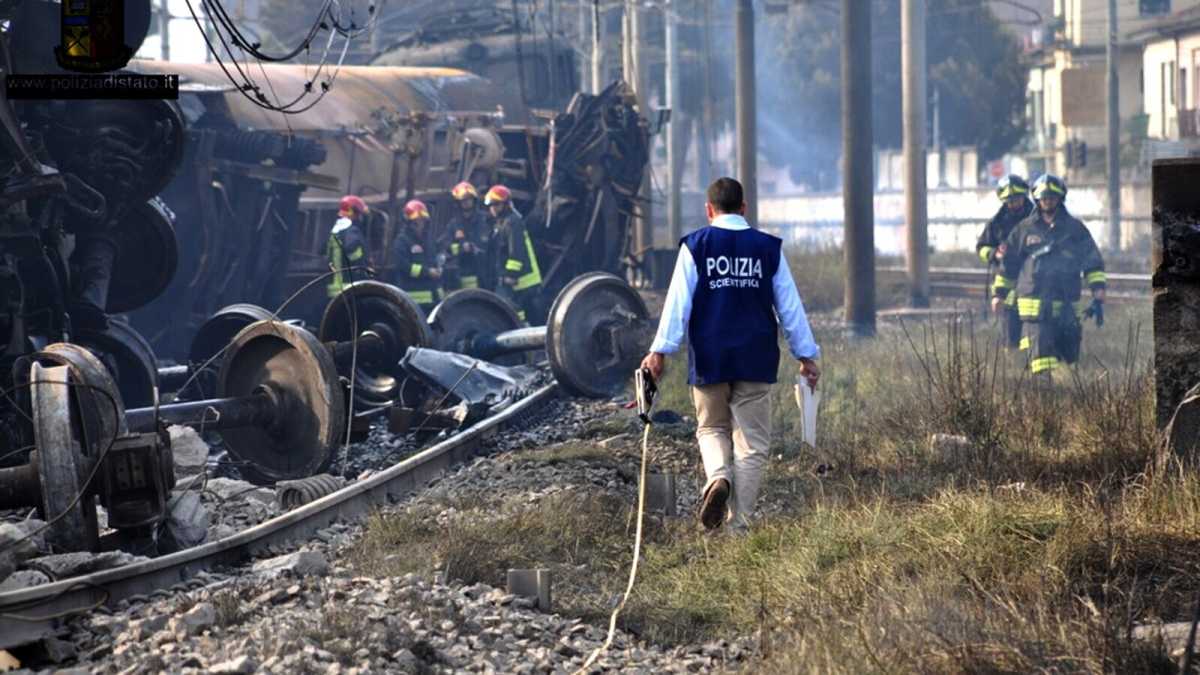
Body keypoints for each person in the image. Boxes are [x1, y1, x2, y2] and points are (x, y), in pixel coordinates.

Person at [640, 177, 821, 533]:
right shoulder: (768, 248)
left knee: (711, 428)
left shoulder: (695, 246)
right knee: (751, 444)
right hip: (755, 357)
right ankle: (740, 525)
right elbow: (789, 307)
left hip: (710, 357)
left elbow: (677, 304)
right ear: (744, 208)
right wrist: (807, 355)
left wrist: (659, 351)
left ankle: (719, 477)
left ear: (709, 210)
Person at [991, 174, 1106, 375]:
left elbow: (1092, 260)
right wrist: (999, 294)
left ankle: (1065, 401)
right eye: (1044, 198)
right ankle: (1045, 398)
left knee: (1069, 360)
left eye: (1052, 198)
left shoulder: (1074, 229)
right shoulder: (1024, 229)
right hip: (1035, 310)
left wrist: (1098, 289)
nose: (1048, 201)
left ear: (1060, 198)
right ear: (1037, 200)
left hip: (1066, 306)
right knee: (1042, 361)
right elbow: (1009, 265)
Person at [976, 174, 1033, 348]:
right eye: (1009, 200)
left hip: (1033, 280)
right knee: (1010, 323)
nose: (1013, 204)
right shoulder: (997, 223)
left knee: (1033, 324)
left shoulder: (1037, 218)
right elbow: (981, 247)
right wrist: (994, 254)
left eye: (1016, 199)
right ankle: (1012, 358)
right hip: (1005, 279)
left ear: (1024, 196)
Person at [483, 185, 543, 322]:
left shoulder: (513, 222)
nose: (493, 208)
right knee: (521, 315)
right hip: (516, 281)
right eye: (491, 205)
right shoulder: (501, 224)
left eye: (496, 204)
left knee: (518, 315)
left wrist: (510, 275)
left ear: (506, 204)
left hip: (523, 281)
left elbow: (516, 253)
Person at [391, 199, 443, 313]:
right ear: (408, 223)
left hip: (434, 300)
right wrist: (427, 272)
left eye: (422, 221)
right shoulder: (402, 241)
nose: (420, 225)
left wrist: (438, 268)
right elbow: (403, 267)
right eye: (416, 222)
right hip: (413, 302)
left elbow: (433, 260)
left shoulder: (428, 240)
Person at [441, 181, 489, 291]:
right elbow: (445, 244)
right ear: (458, 203)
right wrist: (461, 248)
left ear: (474, 200)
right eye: (463, 200)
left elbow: (488, 244)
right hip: (463, 272)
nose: (466, 203)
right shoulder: (454, 224)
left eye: (469, 199)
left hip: (485, 271)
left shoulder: (485, 220)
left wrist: (473, 247)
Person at [326, 195, 369, 299]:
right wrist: (363, 258)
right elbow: (351, 253)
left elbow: (323, 250)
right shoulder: (352, 231)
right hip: (348, 286)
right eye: (358, 213)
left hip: (333, 287)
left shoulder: (335, 231)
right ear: (353, 212)